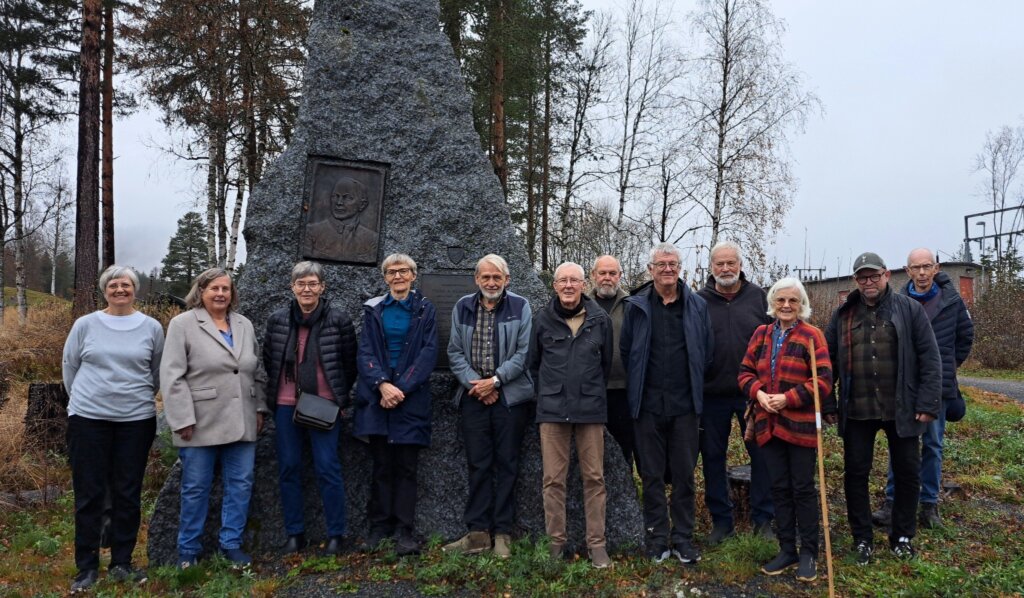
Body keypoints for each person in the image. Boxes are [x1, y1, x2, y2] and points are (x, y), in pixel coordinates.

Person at [824, 252, 941, 564]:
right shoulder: (843, 315)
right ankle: (862, 538)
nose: (868, 282)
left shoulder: (909, 310)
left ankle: (902, 535)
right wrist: (827, 402)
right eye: (862, 277)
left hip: (901, 408)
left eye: (873, 275)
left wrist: (928, 402)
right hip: (857, 408)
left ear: (886, 275)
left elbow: (930, 358)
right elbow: (827, 363)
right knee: (856, 473)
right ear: (855, 281)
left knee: (907, 472)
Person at [62, 266, 164, 593]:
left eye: (127, 285)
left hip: (135, 420)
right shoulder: (85, 325)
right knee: (89, 493)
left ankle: (122, 562)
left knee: (127, 493)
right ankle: (87, 566)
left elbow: (156, 372)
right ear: (105, 290)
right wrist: (85, 399)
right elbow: (70, 367)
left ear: (135, 289)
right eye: (114, 285)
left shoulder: (151, 327)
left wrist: (131, 398)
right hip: (88, 419)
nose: (120, 290)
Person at [162, 268, 269, 568]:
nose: (221, 294)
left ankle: (231, 544)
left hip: (243, 419)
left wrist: (260, 408)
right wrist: (181, 417)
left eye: (226, 288)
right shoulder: (183, 324)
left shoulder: (244, 324)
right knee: (195, 487)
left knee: (241, 483)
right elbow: (172, 375)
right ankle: (188, 550)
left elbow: (256, 371)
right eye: (214, 289)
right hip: (199, 421)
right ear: (201, 291)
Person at [620, 242, 713, 565]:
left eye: (673, 264)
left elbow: (707, 351)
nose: (668, 269)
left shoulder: (697, 306)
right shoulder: (636, 307)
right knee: (652, 474)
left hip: (686, 406)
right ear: (651, 270)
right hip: (646, 407)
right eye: (661, 265)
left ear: (680, 268)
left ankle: (683, 538)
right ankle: (657, 536)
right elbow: (627, 352)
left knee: (685, 474)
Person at [737, 278, 833, 583]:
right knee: (778, 487)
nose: (787, 306)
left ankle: (808, 553)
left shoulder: (811, 336)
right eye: (781, 301)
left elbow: (824, 381)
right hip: (769, 426)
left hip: (800, 427)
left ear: (801, 304)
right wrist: (759, 394)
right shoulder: (762, 334)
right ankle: (787, 548)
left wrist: (789, 398)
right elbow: (744, 372)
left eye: (793, 300)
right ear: (772, 303)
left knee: (802, 488)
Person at [873, 248, 974, 529]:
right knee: (900, 443)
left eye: (926, 267)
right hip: (903, 386)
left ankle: (929, 505)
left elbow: (965, 336)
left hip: (938, 387)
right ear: (907, 272)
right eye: (915, 268)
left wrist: (948, 366)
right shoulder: (896, 302)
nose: (921, 273)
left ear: (936, 268)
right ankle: (893, 501)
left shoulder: (952, 301)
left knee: (932, 445)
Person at [263, 261, 357, 555]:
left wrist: (339, 399)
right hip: (285, 405)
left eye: (313, 283)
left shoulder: (338, 320)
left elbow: (349, 364)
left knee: (328, 467)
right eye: (301, 283)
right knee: (289, 468)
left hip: (325, 405)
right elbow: (270, 360)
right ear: (292, 287)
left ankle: (336, 534)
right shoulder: (278, 320)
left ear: (322, 287)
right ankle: (295, 533)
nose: (307, 289)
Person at [443, 254, 533, 558]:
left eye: (497, 277)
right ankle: (478, 533)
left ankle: (503, 534)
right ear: (476, 280)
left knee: (507, 464)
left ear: (507, 280)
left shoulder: (521, 307)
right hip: (473, 397)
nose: (491, 282)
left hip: (509, 397)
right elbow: (454, 351)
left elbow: (523, 354)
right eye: (486, 277)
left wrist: (494, 382)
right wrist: (476, 384)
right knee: (478, 465)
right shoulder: (462, 307)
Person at [530, 261, 614, 568]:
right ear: (555, 286)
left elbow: (604, 366)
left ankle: (597, 545)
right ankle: (556, 543)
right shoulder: (542, 319)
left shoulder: (600, 320)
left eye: (574, 281)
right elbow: (533, 364)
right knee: (553, 480)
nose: (568, 286)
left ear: (583, 284)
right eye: (562, 280)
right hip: (552, 411)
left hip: (590, 409)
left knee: (594, 478)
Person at [354, 253, 438, 556]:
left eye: (403, 271)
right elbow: (365, 352)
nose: (398, 276)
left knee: (406, 467)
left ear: (414, 275)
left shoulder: (425, 310)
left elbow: (429, 353)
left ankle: (405, 530)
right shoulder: (374, 310)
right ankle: (379, 526)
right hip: (378, 398)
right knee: (380, 466)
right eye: (391, 271)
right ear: (385, 277)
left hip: (410, 399)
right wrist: (382, 385)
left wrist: (400, 389)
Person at [696, 241, 774, 544]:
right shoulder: (698, 301)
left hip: (752, 395)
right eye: (720, 264)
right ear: (711, 267)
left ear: (740, 264)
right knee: (712, 457)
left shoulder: (760, 298)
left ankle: (763, 518)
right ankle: (721, 521)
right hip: (710, 393)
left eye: (731, 263)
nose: (726, 269)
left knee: (761, 455)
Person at [585, 255, 635, 470]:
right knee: (591, 453)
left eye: (612, 273)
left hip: (624, 391)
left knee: (624, 450)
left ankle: (626, 501)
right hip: (590, 391)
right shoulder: (582, 305)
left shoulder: (631, 305)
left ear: (619, 276)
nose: (607, 278)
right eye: (602, 273)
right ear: (593, 275)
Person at [303, 176, 379, 262]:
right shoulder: (311, 232)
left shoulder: (372, 239)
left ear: (362, 205)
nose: (339, 203)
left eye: (347, 198)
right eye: (335, 196)